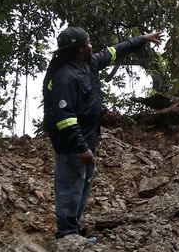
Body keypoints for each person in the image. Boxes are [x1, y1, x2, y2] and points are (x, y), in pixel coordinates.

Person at [42, 27, 163, 240]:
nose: (92, 46)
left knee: (82, 185)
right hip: (71, 145)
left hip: (89, 138)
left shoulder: (89, 64)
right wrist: (81, 148)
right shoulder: (65, 77)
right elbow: (64, 118)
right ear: (80, 49)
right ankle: (66, 234)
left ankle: (73, 229)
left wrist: (143, 39)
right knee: (70, 185)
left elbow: (115, 51)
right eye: (88, 43)